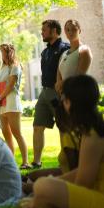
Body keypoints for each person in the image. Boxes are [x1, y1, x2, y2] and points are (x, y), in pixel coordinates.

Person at [20, 75, 104, 208]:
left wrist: (48, 188)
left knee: (43, 187)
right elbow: (82, 171)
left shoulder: (93, 136)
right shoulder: (96, 127)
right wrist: (55, 181)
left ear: (70, 102)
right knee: (43, 187)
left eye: (64, 99)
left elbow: (82, 184)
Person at [32, 20, 69, 169]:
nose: (42, 32)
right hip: (44, 92)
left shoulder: (64, 49)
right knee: (37, 126)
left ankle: (65, 161)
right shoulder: (45, 51)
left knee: (63, 126)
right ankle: (36, 162)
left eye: (44, 30)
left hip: (58, 94)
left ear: (54, 31)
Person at [0, 43, 29, 169]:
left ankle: (25, 162)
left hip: (11, 102)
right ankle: (11, 162)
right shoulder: (1, 68)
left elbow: (10, 85)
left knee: (17, 132)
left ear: (8, 52)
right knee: (6, 134)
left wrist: (0, 97)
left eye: (2, 51)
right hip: (1, 104)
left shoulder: (15, 66)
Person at [55, 20, 92, 95]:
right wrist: (59, 87)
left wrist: (62, 84)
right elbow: (58, 80)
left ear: (79, 30)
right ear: (65, 32)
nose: (70, 32)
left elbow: (79, 76)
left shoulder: (84, 50)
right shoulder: (63, 54)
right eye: (68, 30)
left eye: (74, 29)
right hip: (65, 96)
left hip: (80, 94)